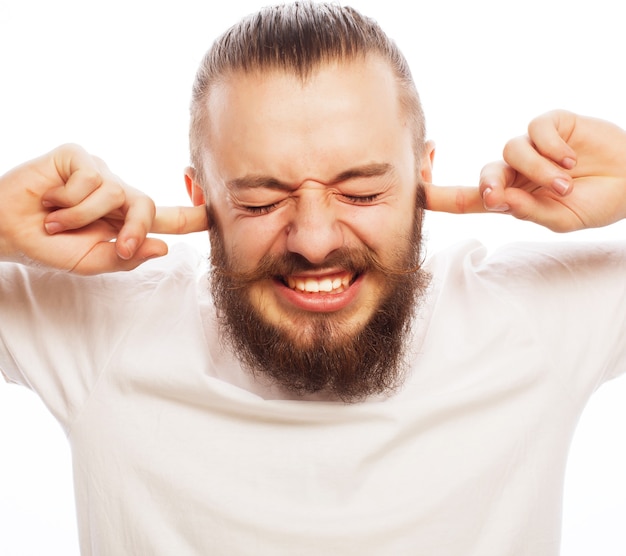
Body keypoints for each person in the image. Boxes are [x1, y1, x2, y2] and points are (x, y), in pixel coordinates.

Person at [1, 2, 626, 554]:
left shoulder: (529, 322)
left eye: (360, 191)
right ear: (199, 196)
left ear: (423, 177)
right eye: (259, 202)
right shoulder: (105, 331)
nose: (315, 238)